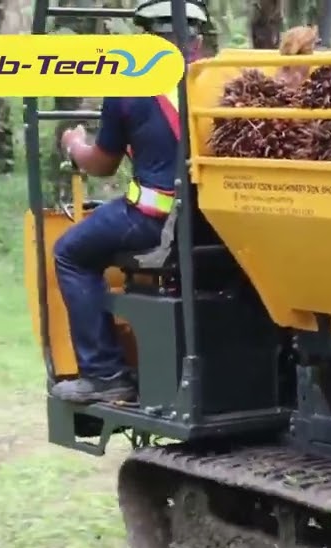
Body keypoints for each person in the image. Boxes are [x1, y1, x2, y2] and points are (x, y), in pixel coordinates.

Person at [50, 0, 208, 404]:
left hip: (156, 221)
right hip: (218, 220)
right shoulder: (218, 79)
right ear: (198, 36)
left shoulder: (130, 86)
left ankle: (104, 374)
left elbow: (102, 165)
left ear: (145, 38)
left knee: (69, 252)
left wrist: (75, 145)